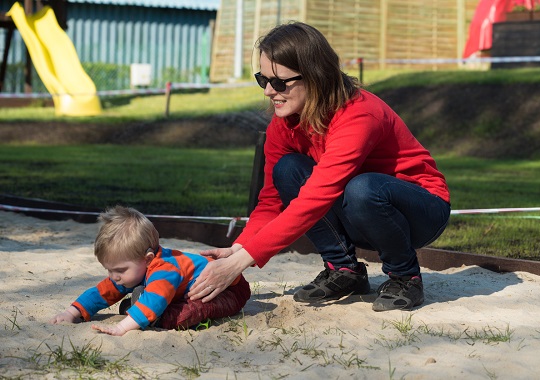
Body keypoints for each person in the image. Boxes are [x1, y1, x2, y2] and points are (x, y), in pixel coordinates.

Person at [187, 22, 450, 312]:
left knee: (362, 188)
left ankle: (405, 276)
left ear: (315, 76)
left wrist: (244, 260)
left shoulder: (359, 114)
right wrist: (239, 248)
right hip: (360, 210)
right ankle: (343, 271)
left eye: (279, 82)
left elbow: (317, 197)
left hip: (421, 211)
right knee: (288, 169)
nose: (268, 91)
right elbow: (271, 201)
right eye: (263, 79)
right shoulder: (283, 125)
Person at [50, 206, 251, 335]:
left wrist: (122, 327)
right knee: (148, 301)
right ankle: (139, 307)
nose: (113, 276)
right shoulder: (132, 269)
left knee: (181, 315)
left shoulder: (164, 269)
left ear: (147, 259)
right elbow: (103, 291)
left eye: (119, 270)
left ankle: (144, 311)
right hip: (186, 289)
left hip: (228, 289)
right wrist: (72, 312)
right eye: (108, 270)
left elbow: (156, 299)